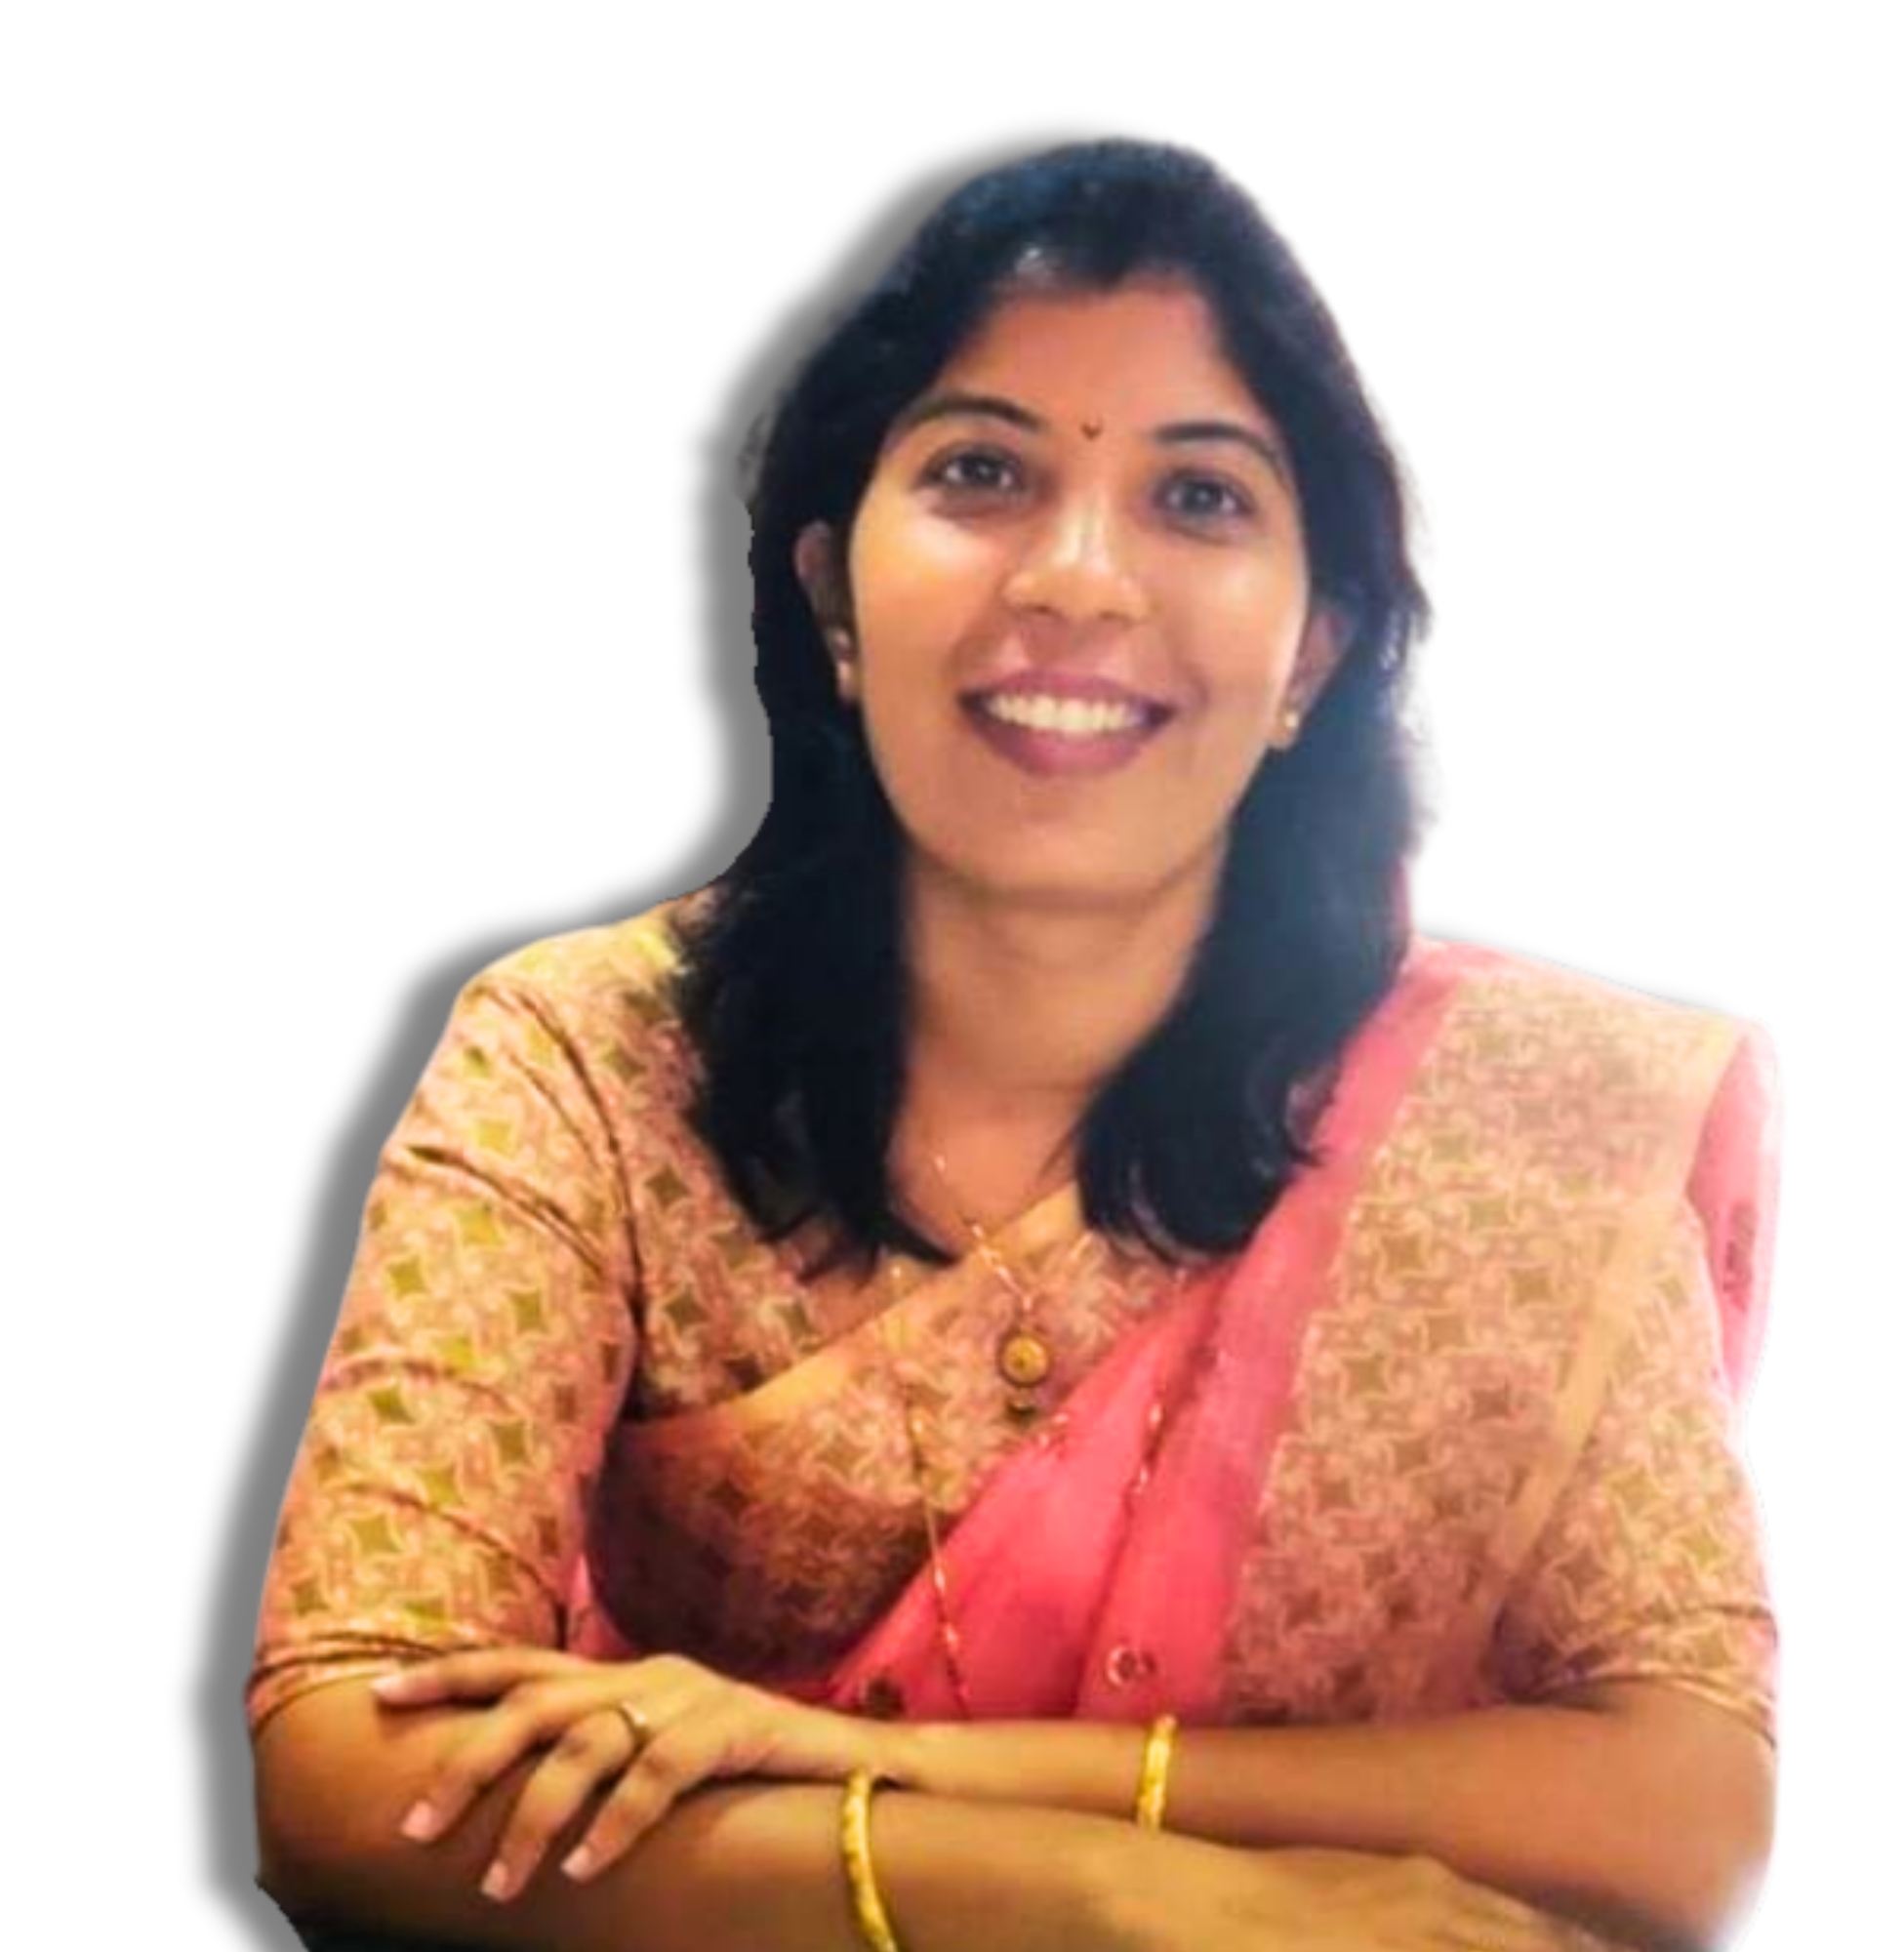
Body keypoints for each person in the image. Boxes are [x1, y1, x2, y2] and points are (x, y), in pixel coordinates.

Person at [246, 138, 1782, 1952]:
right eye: (982, 472)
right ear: (833, 597)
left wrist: (914, 1773)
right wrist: (1112, 1898)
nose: (1080, 580)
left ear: (1313, 653)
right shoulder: (590, 1065)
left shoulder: (1527, 1129)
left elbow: (1679, 1804)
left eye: (1198, 497)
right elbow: (351, 1765)